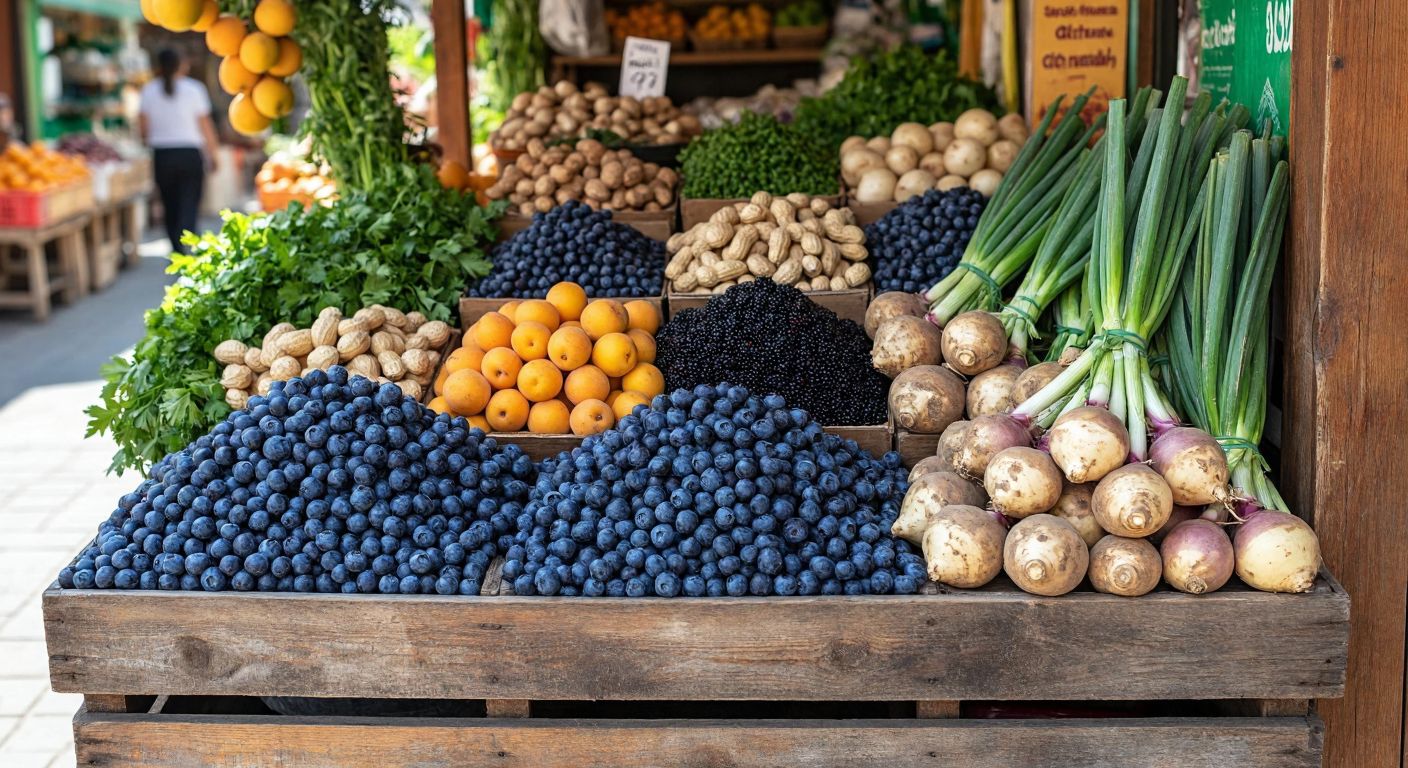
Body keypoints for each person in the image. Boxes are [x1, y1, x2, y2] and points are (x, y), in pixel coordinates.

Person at [139, 49, 219, 254]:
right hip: (189, 154)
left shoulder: (148, 91)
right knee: (190, 200)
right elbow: (205, 125)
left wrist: (149, 141)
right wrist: (213, 153)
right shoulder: (194, 90)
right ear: (181, 65)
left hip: (162, 155)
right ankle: (190, 241)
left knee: (169, 202)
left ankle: (176, 246)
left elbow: (143, 128)